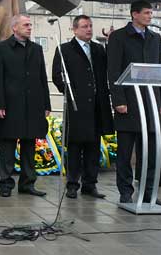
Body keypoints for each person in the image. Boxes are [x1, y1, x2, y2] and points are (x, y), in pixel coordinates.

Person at [107, 1, 161, 206]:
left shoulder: (154, 37)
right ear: (134, 14)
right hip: (129, 103)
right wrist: (118, 100)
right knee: (125, 152)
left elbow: (160, 67)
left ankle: (149, 192)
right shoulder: (118, 37)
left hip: (151, 102)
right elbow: (113, 71)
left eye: (151, 13)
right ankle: (126, 192)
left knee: (151, 152)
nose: (150, 16)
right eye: (146, 13)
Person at [52, 15, 113, 199]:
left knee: (93, 147)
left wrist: (110, 41)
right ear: (75, 29)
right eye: (85, 26)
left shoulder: (98, 49)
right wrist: (70, 93)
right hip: (76, 106)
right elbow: (57, 76)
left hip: (97, 105)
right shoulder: (64, 49)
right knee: (75, 146)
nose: (89, 29)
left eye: (91, 26)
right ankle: (72, 184)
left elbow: (109, 66)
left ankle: (90, 184)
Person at [0, 14, 50, 198]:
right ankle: (6, 184)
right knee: (8, 145)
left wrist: (46, 104)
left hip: (33, 105)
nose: (29, 28)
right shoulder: (1, 49)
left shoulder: (36, 49)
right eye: (26, 25)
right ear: (14, 28)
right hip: (10, 104)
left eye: (30, 25)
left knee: (29, 145)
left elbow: (42, 78)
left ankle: (27, 183)